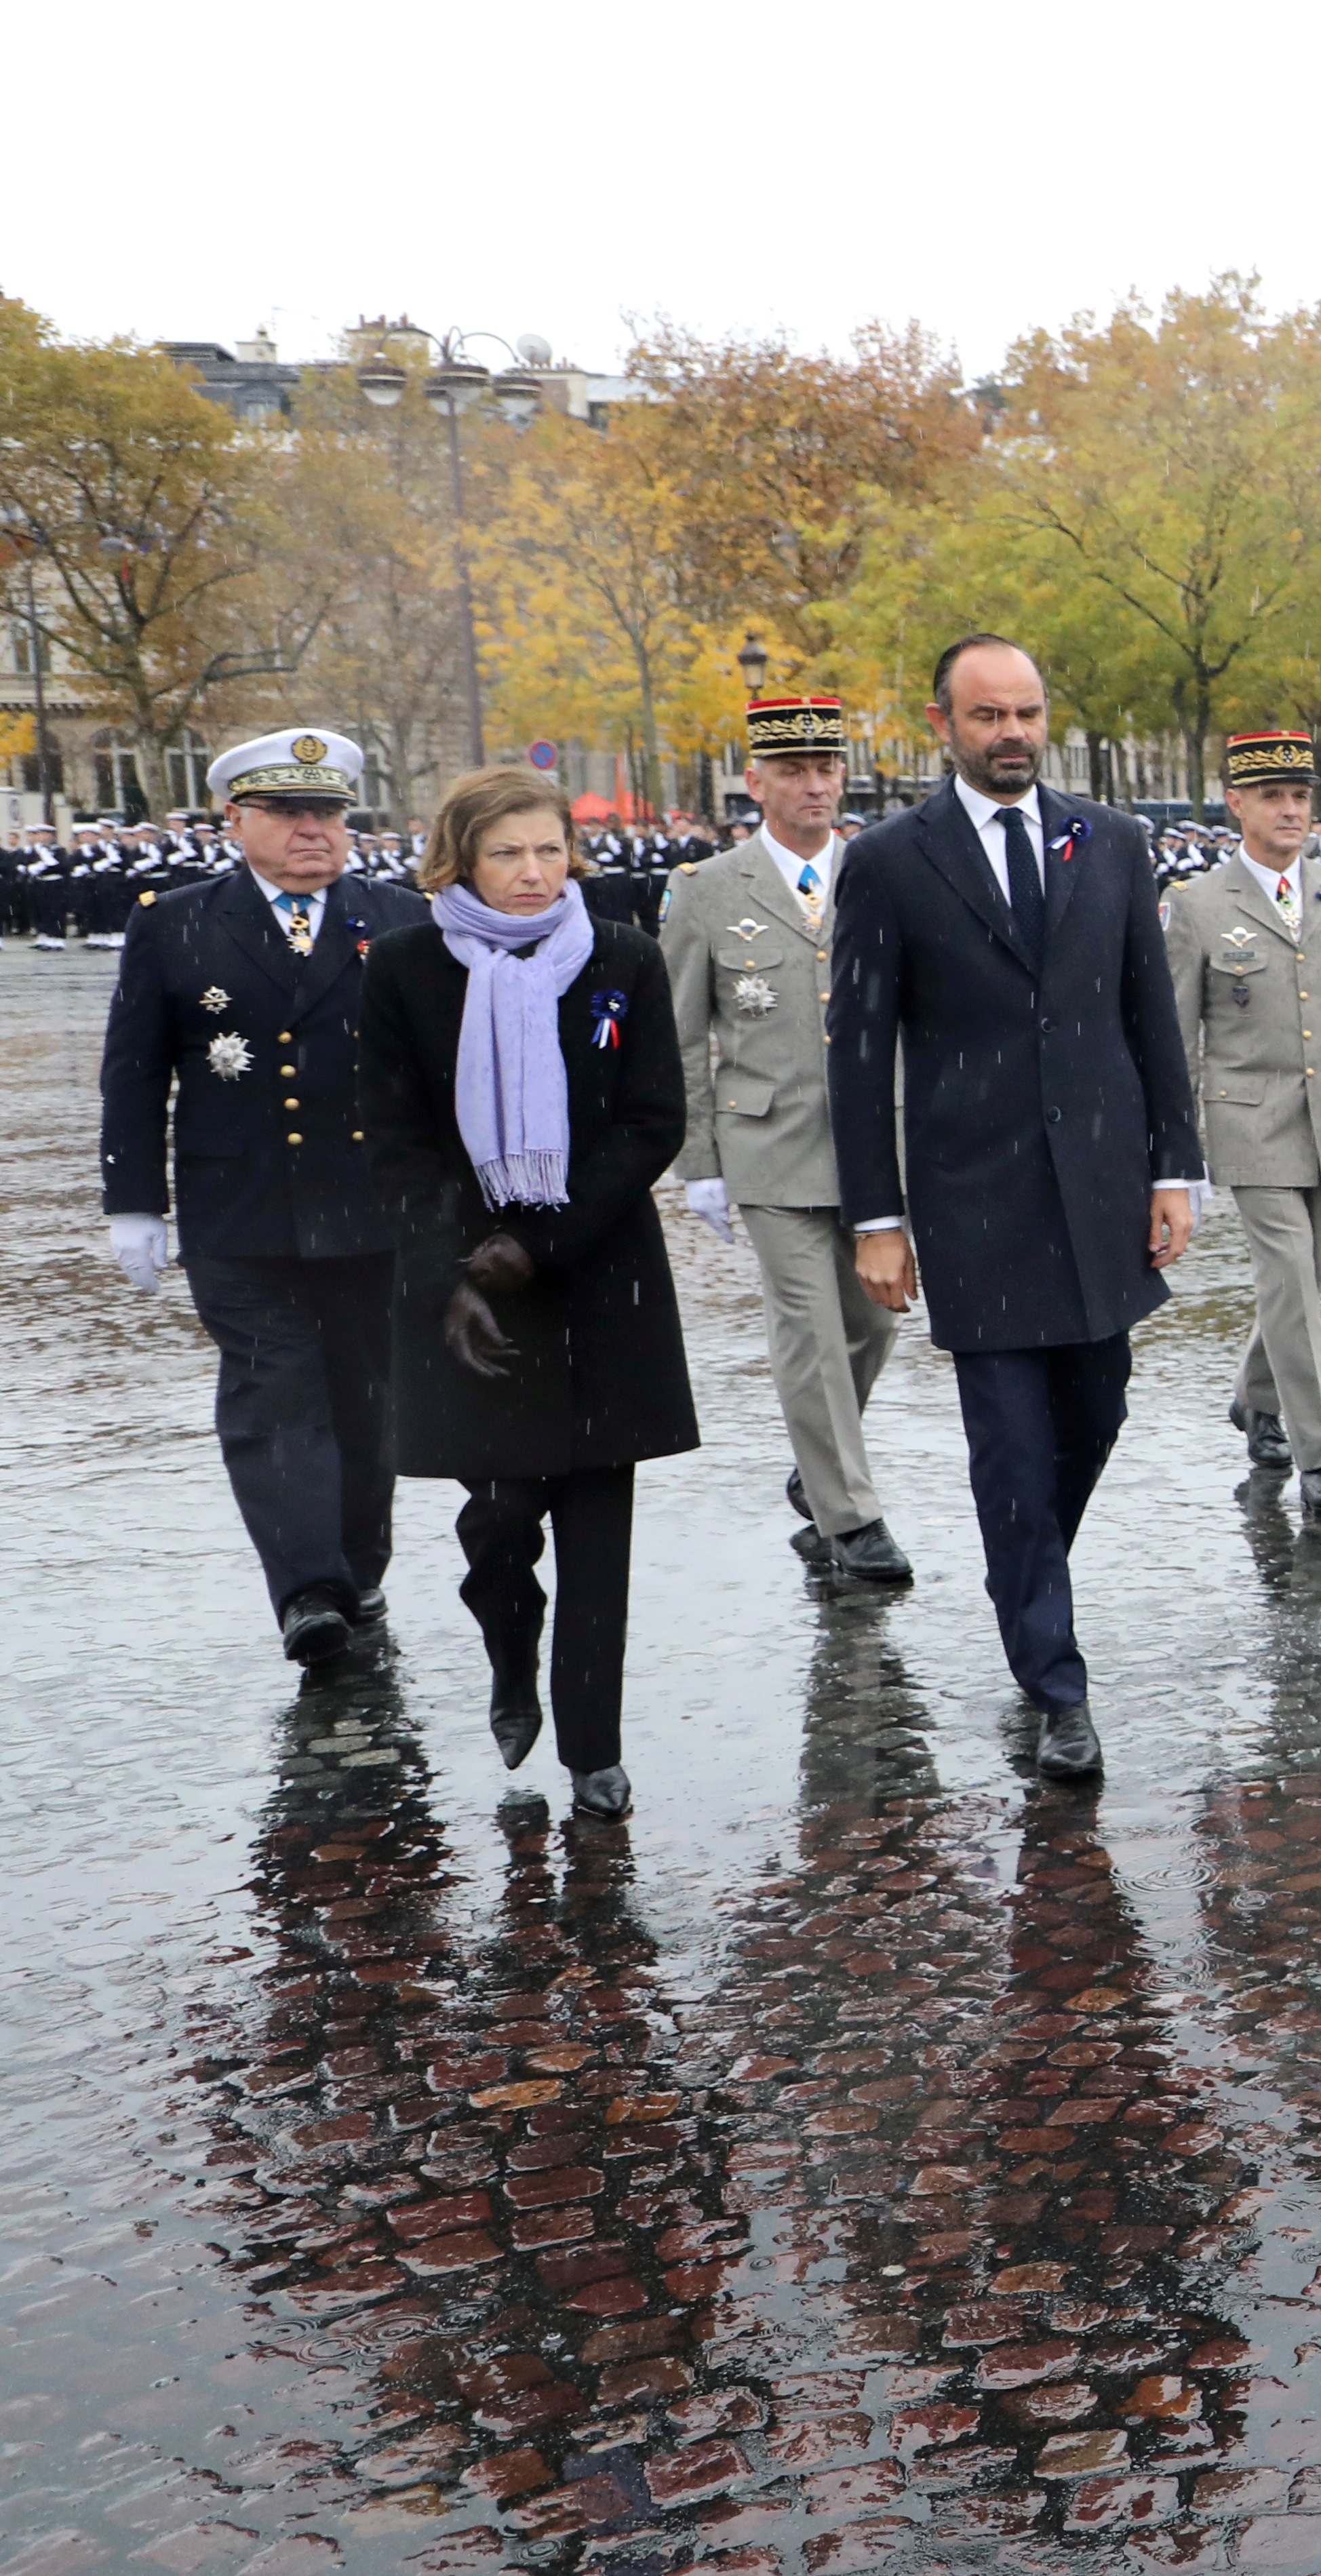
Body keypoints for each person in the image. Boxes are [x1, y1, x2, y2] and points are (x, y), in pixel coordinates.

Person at [830, 634, 1202, 1785]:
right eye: (990, 715)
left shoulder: (1114, 840)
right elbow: (857, 1051)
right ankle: (1057, 1683)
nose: (1014, 735)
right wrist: (875, 1217)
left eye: (1030, 713)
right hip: (973, 1199)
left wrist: (1173, 1170)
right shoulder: (893, 861)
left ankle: (1022, 1570)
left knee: (1094, 1417)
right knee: (1011, 1451)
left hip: (1100, 1191)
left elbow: (1150, 1012)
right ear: (943, 723)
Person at [359, 766, 700, 1818]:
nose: (532, 872)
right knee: (501, 1523)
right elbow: (396, 1134)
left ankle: (592, 1743)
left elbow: (653, 1119)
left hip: (600, 1278)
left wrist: (544, 1243)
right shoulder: (407, 967)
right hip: (469, 1286)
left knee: (600, 1520)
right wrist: (448, 1272)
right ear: (461, 856)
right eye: (507, 852)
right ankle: (512, 1649)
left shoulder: (623, 956)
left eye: (549, 850)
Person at [97, 731, 432, 1665]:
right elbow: (133, 1073)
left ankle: (358, 1567)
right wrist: (132, 1200)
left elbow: (441, 1075)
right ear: (235, 820)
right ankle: (307, 1590)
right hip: (239, 1208)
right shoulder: (176, 923)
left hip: (371, 1210)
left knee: (369, 1402)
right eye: (288, 814)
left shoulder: (402, 917)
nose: (313, 832)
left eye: (328, 813)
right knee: (271, 1392)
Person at [663, 698, 911, 1586]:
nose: (813, 785)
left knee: (870, 1324)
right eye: (793, 771)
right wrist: (699, 1162)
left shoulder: (886, 874)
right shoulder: (706, 892)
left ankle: (816, 1471)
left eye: (826, 769)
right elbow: (683, 1034)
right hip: (768, 1147)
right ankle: (853, 1519)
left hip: (879, 1150)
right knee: (807, 1328)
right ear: (756, 781)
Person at [1168, 729, 1321, 1520]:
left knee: (1306, 1284)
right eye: (1272, 797)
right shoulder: (1197, 905)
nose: (1290, 810)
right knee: (1290, 1280)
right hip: (1250, 1124)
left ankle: (1256, 1396)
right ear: (1237, 803)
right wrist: (1176, 1155)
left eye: (1300, 796)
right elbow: (1179, 1037)